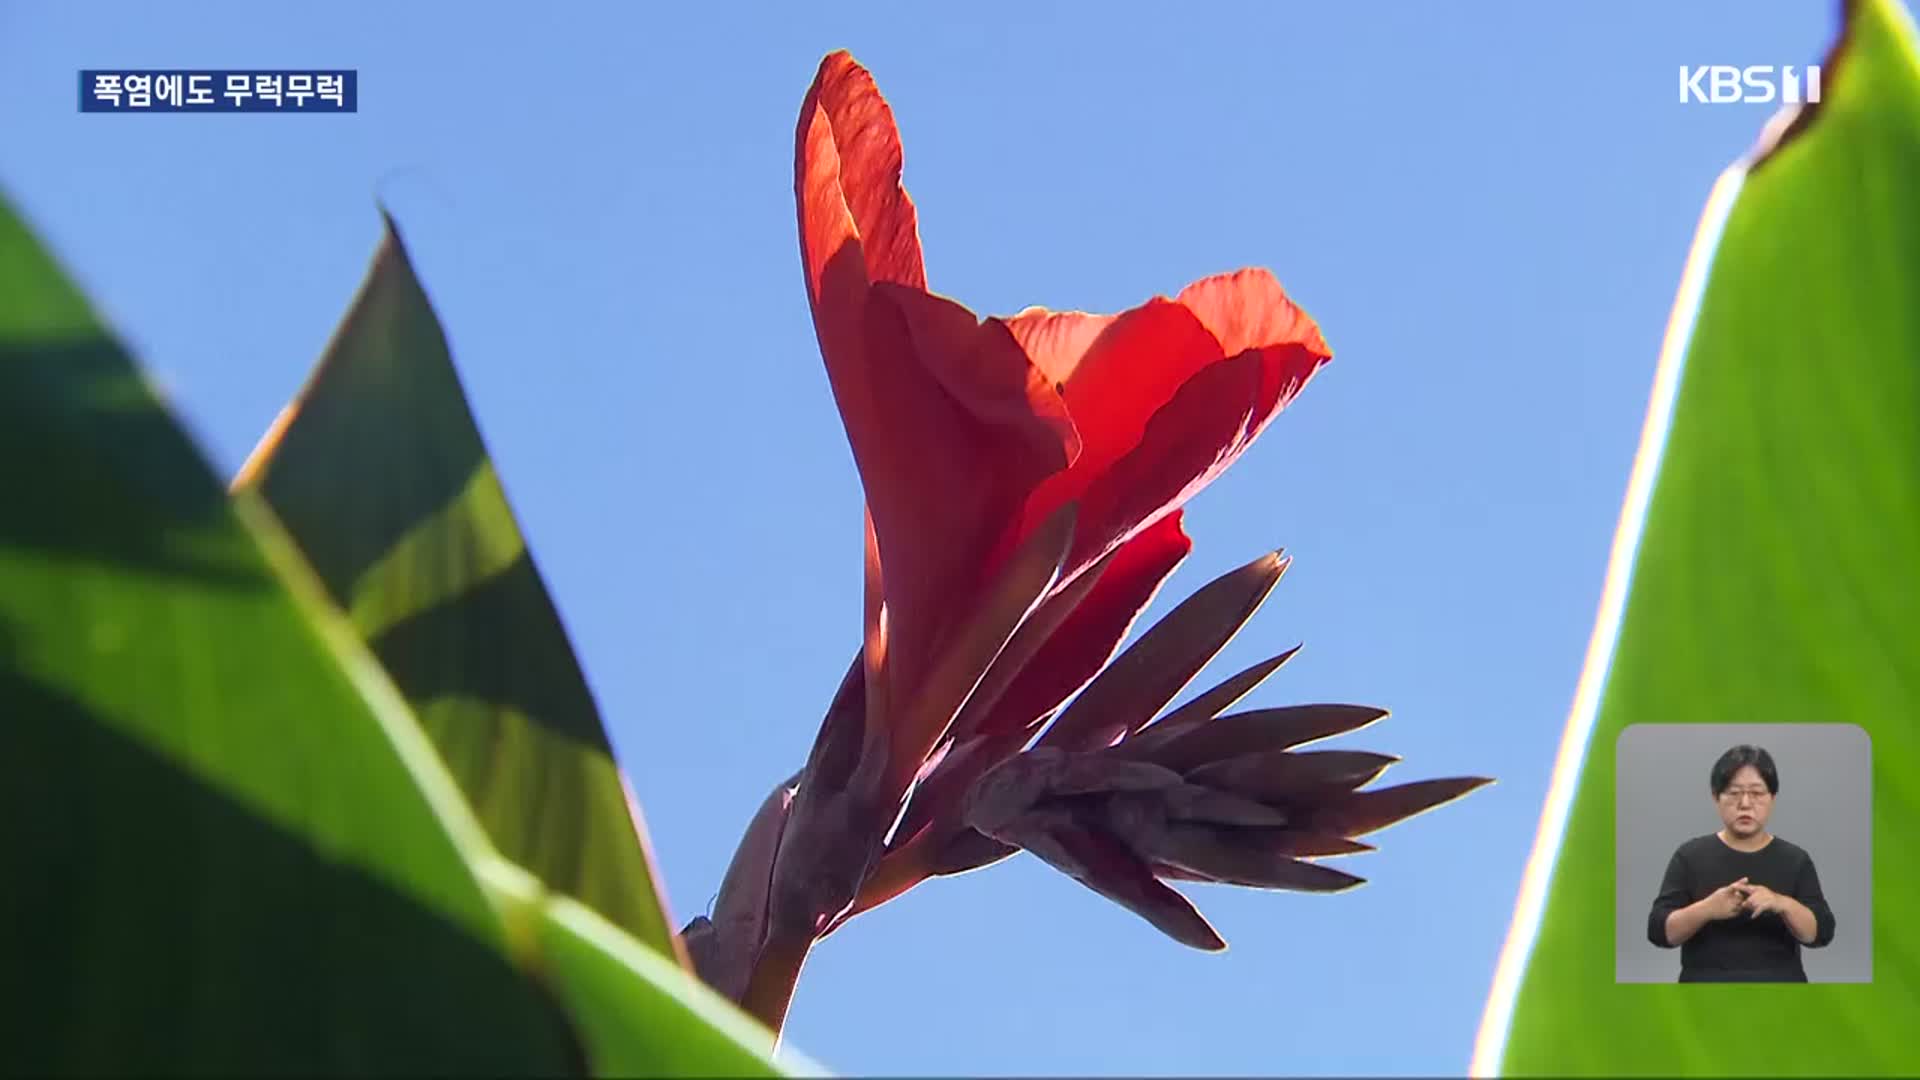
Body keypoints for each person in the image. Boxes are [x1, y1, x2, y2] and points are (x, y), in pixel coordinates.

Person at [1646, 744, 1836, 982]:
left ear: (1772, 798)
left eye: (1756, 793)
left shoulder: (1795, 859)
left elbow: (1820, 934)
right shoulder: (1690, 856)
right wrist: (1708, 909)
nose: (1745, 804)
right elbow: (1659, 933)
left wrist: (1781, 903)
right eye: (1734, 793)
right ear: (1716, 797)